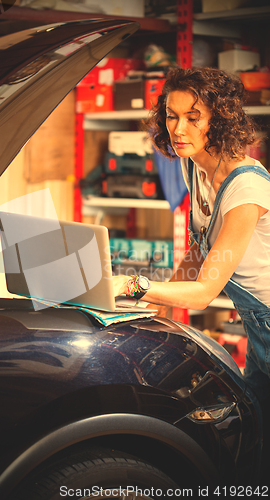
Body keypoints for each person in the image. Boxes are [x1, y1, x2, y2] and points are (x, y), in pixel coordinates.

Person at [113, 67, 270, 446]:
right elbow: (201, 251)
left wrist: (132, 285)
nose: (178, 129)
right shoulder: (194, 164)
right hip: (258, 324)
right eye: (171, 115)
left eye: (192, 117)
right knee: (257, 430)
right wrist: (159, 307)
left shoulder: (246, 189)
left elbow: (203, 293)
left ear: (220, 120)